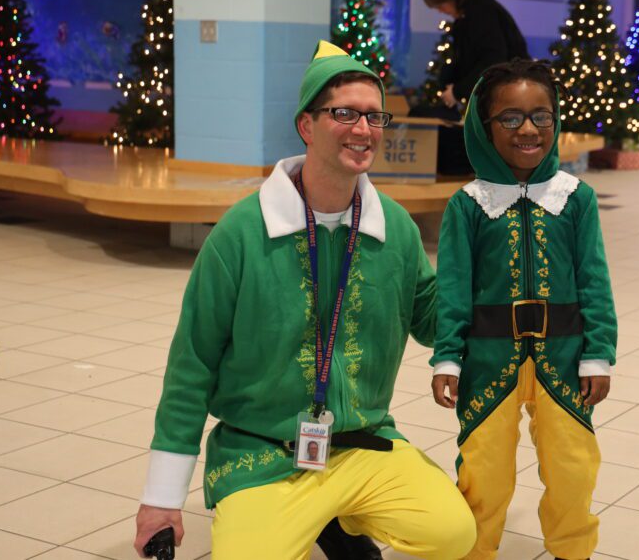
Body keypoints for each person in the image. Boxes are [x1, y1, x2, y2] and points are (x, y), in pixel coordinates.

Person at [133, 41, 476, 560]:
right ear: (307, 125)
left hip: (363, 444)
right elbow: (192, 364)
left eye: (373, 115)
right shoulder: (241, 233)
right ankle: (317, 515)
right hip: (262, 453)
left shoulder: (396, 231)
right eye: (344, 113)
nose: (363, 129)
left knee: (453, 533)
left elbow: (435, 320)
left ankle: (337, 514)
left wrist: (486, 277)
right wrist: (161, 498)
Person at [430, 59, 617, 560]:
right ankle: (476, 551)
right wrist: (447, 357)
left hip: (564, 356)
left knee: (573, 467)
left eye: (542, 116)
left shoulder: (575, 198)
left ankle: (572, 551)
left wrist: (598, 354)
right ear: (483, 127)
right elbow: (453, 288)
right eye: (510, 119)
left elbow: (594, 280)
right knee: (484, 470)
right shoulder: (469, 204)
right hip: (488, 360)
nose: (529, 129)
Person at [417, 0, 529, 175]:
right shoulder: (470, 15)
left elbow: (492, 59)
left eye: (441, 5)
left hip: (510, 89)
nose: (441, 11)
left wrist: (459, 90)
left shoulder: (481, 13)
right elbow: (468, 60)